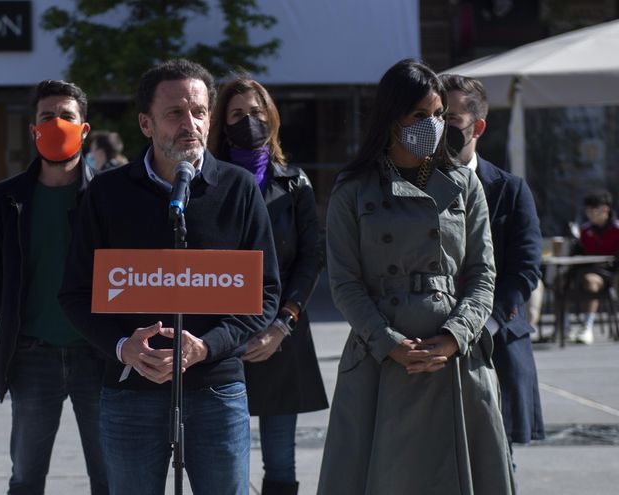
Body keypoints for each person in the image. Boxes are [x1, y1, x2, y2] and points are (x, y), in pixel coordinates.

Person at [59, 59, 281, 495]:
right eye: (174, 113)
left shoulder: (237, 189)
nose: (190, 123)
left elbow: (265, 292)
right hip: (129, 394)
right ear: (146, 123)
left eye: (198, 112)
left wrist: (206, 347)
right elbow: (74, 292)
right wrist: (124, 348)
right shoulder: (106, 192)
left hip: (216, 391)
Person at [317, 59, 514, 494]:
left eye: (439, 114)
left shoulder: (464, 184)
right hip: (380, 357)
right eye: (420, 116)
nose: (434, 124)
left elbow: (483, 275)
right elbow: (345, 283)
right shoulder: (353, 189)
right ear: (391, 119)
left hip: (455, 358)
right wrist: (389, 344)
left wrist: (455, 335)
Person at [0, 80, 107, 494]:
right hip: (33, 357)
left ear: (84, 129)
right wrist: (21, 318)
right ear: (33, 129)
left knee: (110, 476)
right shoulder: (7, 197)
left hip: (98, 354)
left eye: (67, 116)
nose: (56, 124)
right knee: (26, 478)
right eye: (46, 117)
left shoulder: (108, 193)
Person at [208, 77, 327, 495]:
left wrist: (282, 324)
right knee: (224, 456)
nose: (249, 121)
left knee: (280, 458)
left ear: (272, 117)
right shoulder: (207, 183)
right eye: (237, 114)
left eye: (257, 112)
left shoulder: (295, 183)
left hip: (281, 334)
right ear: (221, 123)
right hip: (221, 340)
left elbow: (312, 257)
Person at [441, 73, 545, 449]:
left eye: (450, 119)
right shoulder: (410, 188)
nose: (439, 128)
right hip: (431, 343)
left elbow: (526, 269)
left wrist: (490, 322)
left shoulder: (510, 190)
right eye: (434, 117)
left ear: (478, 126)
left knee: (499, 465)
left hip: (496, 341)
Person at [565, 190, 619, 344]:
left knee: (590, 281)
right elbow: (577, 254)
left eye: (593, 210)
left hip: (608, 274)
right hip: (583, 269)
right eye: (587, 210)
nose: (590, 214)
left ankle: (586, 327)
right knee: (560, 282)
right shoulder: (585, 230)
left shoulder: (616, 229)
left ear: (605, 209)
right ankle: (564, 327)